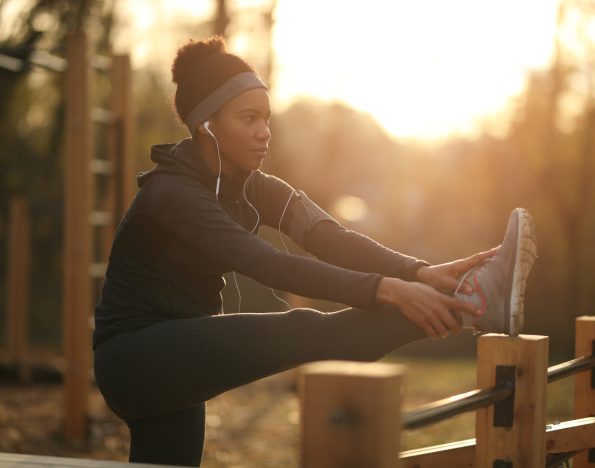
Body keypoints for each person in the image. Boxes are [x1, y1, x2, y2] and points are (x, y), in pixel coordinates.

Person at [92, 35, 537, 467]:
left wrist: (418, 273)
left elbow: (329, 237)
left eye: (266, 118)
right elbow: (267, 263)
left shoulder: (253, 187)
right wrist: (388, 290)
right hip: (134, 358)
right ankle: (471, 303)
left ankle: (465, 296)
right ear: (206, 124)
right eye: (248, 118)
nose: (264, 132)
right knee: (303, 329)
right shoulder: (173, 194)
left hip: (178, 355)